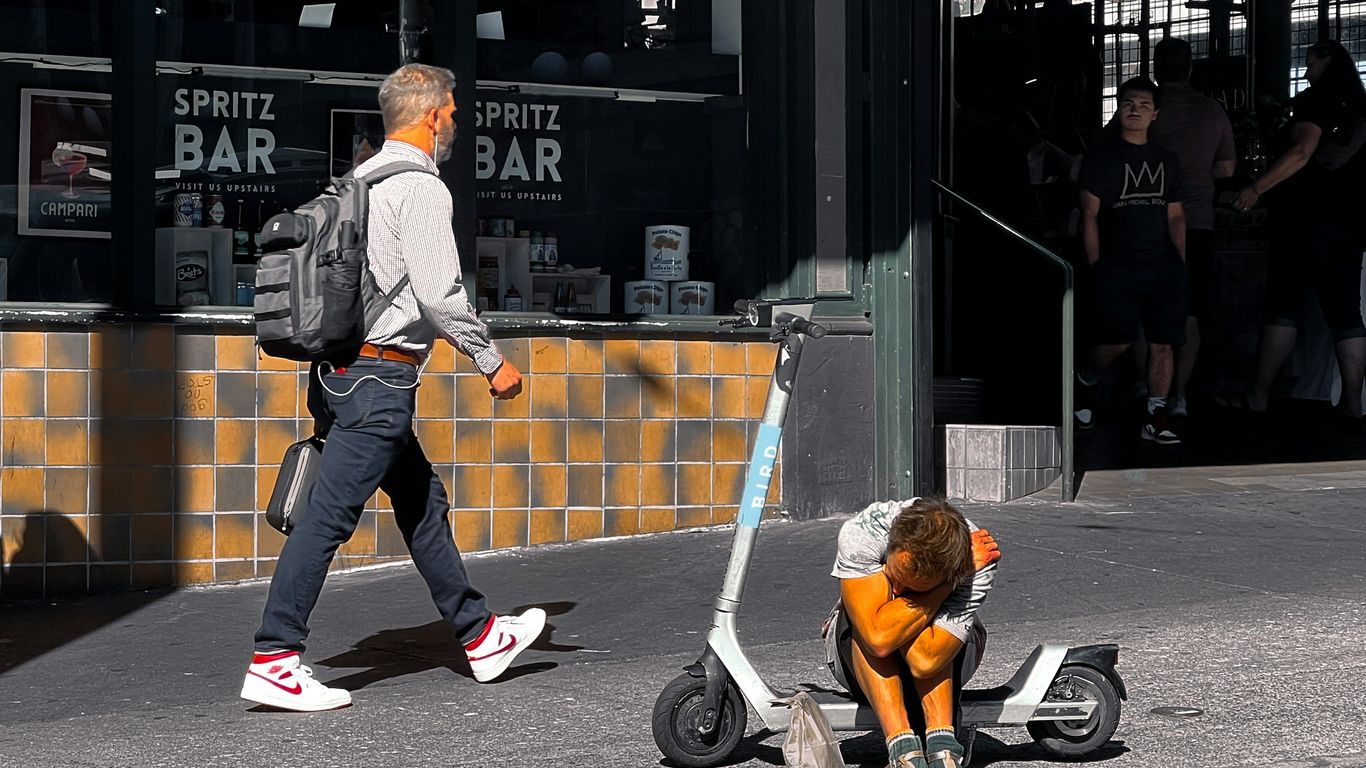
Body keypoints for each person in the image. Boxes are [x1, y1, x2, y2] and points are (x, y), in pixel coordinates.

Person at [241, 63, 544, 712]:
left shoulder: (359, 180)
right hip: (379, 379)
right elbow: (439, 293)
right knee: (326, 520)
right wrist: (491, 361)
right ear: (432, 116)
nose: (456, 122)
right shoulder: (422, 190)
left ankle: (481, 634)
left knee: (421, 501)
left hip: (339, 373)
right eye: (454, 112)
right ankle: (275, 655)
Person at [1232, 40, 1366, 419]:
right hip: (1351, 222)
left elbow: (1302, 151)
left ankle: (1257, 396)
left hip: (1305, 218)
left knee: (1284, 306)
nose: (1305, 67)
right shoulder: (1358, 106)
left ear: (1327, 61)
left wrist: (1257, 188)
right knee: (1345, 312)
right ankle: (1355, 406)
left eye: (1310, 60)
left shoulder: (1315, 101)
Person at [829, 498, 1001, 768]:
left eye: (912, 587)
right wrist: (941, 590)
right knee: (869, 622)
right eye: (894, 575)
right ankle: (902, 749)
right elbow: (878, 638)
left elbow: (925, 662)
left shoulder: (980, 558)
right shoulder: (866, 531)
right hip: (857, 661)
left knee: (918, 631)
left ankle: (942, 747)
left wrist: (949, 583)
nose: (896, 589)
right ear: (894, 543)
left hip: (949, 659)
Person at [1075, 76, 1189, 445]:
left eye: (1143, 104)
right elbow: (1089, 215)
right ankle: (1085, 379)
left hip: (1162, 264)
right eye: (1128, 103)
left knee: (1163, 342)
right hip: (1117, 263)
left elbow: (1176, 215)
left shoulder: (1167, 160)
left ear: (1155, 113)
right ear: (1118, 109)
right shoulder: (1101, 159)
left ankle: (1157, 416)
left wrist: (1179, 262)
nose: (1135, 109)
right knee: (1116, 340)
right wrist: (1096, 265)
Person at [1143, 37, 1237, 419]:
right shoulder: (1212, 110)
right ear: (1191, 68)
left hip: (1146, 220)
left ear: (1155, 68)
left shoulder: (1146, 109)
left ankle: (1148, 392)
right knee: (1191, 310)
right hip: (1198, 221)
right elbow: (1227, 169)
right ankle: (1180, 396)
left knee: (1145, 308)